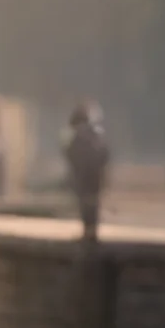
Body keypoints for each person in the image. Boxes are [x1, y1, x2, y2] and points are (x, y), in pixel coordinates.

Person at [62, 103, 108, 242]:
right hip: (93, 175)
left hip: (84, 175)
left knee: (86, 204)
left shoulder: (78, 136)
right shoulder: (97, 134)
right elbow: (104, 154)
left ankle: (89, 231)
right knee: (92, 204)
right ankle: (91, 231)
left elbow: (69, 153)